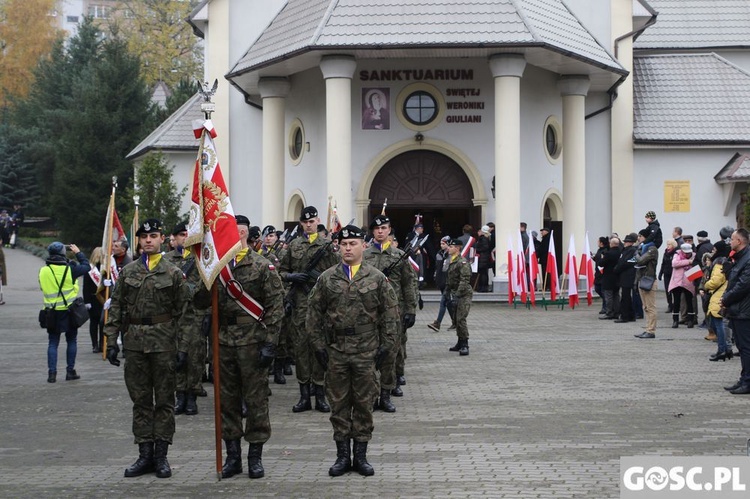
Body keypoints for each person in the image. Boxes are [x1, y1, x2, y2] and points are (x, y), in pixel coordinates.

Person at [308, 224, 399, 476]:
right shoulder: (327, 278)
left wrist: (386, 347)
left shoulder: (377, 278)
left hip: (366, 350)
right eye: (344, 244)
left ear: (363, 246)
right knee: (338, 404)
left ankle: (360, 456)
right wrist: (317, 346)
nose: (348, 248)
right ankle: (341, 457)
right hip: (335, 351)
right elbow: (313, 314)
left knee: (363, 403)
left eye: (353, 244)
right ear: (338, 247)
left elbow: (390, 315)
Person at [104, 218, 190, 478]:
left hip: (164, 344)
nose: (149, 240)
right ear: (139, 241)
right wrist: (110, 340)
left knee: (164, 401)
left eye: (153, 236)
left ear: (162, 238)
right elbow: (116, 306)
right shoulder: (128, 272)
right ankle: (144, 455)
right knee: (140, 401)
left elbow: (184, 313)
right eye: (144, 237)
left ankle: (161, 456)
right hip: (135, 345)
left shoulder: (173, 273)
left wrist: (183, 347)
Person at [200, 214, 285, 479]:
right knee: (227, 401)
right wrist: (204, 270)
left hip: (252, 342)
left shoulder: (262, 266)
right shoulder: (217, 266)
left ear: (245, 233)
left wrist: (270, 344)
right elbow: (200, 302)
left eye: (236, 231)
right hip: (223, 342)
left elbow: (275, 307)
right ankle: (233, 457)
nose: (232, 236)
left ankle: (255, 457)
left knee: (256, 400)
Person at [278, 206, 339, 413]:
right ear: (301, 224)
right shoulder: (293, 245)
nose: (309, 224)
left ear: (318, 221)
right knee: (301, 351)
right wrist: (292, 277)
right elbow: (281, 271)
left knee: (319, 349)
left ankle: (321, 395)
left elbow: (336, 272)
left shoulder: (326, 246)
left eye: (312, 221)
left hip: (321, 305)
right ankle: (304, 396)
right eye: (305, 222)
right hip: (300, 306)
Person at [364, 214, 417, 411]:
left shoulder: (398, 256)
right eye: (377, 229)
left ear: (389, 231)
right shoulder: (365, 255)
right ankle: (371, 393)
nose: (380, 231)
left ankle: (386, 394)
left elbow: (408, 284)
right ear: (372, 232)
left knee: (389, 353)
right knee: (369, 354)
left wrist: (410, 309)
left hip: (392, 311)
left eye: (384, 228)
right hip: (368, 311)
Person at [165, 222, 208, 416]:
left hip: (195, 315)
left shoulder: (201, 259)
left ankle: (192, 396)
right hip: (173, 318)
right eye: (181, 235)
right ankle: (179, 395)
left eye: (187, 234)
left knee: (195, 358)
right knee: (176, 357)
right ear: (174, 239)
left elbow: (206, 285)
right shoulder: (165, 260)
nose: (184, 238)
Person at [39, 242, 90, 383]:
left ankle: (52, 374)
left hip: (51, 312)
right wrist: (78, 252)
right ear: (63, 253)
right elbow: (87, 267)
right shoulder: (70, 270)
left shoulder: (43, 271)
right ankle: (70, 371)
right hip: (69, 312)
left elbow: (42, 287)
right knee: (71, 340)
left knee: (53, 343)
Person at [720, 229, 750, 394]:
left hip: (744, 311)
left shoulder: (748, 259)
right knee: (742, 347)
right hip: (737, 309)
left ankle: (748, 382)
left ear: (739, 241)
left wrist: (726, 299)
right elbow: (733, 280)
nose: (729, 242)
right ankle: (744, 378)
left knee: (746, 348)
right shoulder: (739, 258)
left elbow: (743, 285)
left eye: (732, 239)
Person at [702, 253, 732, 361]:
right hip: (720, 296)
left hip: (718, 297)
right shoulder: (725, 264)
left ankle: (722, 350)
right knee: (720, 325)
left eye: (714, 249)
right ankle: (727, 349)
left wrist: (706, 285)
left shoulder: (719, 265)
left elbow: (715, 282)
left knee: (718, 325)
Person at [446, 238, 473, 355]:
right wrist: (447, 291)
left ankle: (465, 344)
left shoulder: (462, 262)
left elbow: (465, 280)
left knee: (461, 319)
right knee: (456, 320)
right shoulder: (451, 260)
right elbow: (450, 278)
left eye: (451, 247)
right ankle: (460, 341)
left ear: (457, 248)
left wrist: (457, 295)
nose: (449, 248)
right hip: (455, 293)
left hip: (464, 294)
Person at [634, 229, 659, 338]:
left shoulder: (652, 249)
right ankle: (647, 328)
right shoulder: (643, 248)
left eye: (640, 236)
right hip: (642, 279)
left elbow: (640, 261)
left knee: (651, 307)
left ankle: (651, 331)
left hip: (649, 280)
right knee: (646, 307)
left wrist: (636, 253)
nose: (638, 238)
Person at [669, 243, 697, 328]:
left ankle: (690, 320)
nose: (687, 254)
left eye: (689, 253)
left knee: (689, 301)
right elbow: (674, 264)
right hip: (677, 282)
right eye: (685, 253)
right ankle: (675, 320)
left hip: (689, 281)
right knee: (676, 302)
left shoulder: (694, 255)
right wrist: (688, 262)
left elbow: (696, 266)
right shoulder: (677, 254)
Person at [428, 236, 453, 331]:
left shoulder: (451, 255)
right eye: (441, 244)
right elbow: (437, 267)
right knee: (448, 302)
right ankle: (455, 322)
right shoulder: (439, 254)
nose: (441, 246)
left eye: (443, 244)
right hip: (441, 281)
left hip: (448, 281)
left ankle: (437, 323)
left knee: (443, 302)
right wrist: (436, 277)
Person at [82, 247, 104, 353]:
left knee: (94, 323)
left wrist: (87, 301)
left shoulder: (89, 269)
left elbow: (85, 288)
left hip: (94, 299)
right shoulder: (93, 269)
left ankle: (95, 345)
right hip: (101, 299)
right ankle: (100, 344)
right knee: (102, 322)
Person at [614, 233, 637, 323]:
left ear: (630, 243)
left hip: (628, 276)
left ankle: (625, 316)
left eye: (627, 242)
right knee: (627, 296)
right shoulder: (625, 250)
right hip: (624, 276)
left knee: (625, 297)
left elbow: (625, 262)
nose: (625, 243)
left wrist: (617, 269)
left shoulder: (631, 251)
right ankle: (631, 315)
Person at [598, 237, 621, 320]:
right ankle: (617, 312)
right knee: (616, 295)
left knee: (608, 296)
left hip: (608, 277)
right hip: (617, 276)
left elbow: (601, 263)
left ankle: (609, 313)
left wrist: (601, 257)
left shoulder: (608, 253)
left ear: (611, 244)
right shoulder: (620, 252)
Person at [658, 239, 677, 313]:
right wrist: (660, 273)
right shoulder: (666, 252)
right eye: (667, 244)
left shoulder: (675, 253)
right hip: (666, 273)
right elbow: (663, 263)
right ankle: (670, 305)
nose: (668, 246)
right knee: (667, 290)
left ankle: (675, 305)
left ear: (673, 245)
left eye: (669, 244)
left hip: (673, 274)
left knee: (674, 290)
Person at [475, 225, 492, 292]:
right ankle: (483, 287)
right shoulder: (488, 237)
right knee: (484, 273)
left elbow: (485, 247)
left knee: (483, 273)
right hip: (485, 258)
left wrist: (477, 249)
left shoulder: (483, 238)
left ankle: (483, 287)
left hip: (482, 258)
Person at [594, 236, 608, 314]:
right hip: (598, 273)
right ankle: (606, 303)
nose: (597, 242)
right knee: (597, 288)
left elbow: (603, 261)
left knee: (603, 291)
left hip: (602, 273)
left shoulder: (605, 251)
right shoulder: (599, 250)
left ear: (601, 243)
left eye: (598, 241)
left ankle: (605, 307)